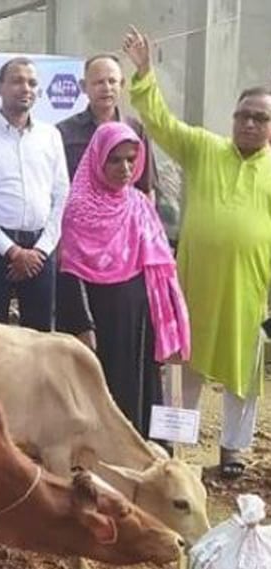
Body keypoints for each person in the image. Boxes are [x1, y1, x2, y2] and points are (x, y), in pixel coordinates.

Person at [124, 26, 271, 477]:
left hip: (250, 291)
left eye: (260, 118)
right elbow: (162, 123)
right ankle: (178, 449)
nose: (249, 123)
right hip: (195, 286)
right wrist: (146, 73)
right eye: (243, 115)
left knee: (244, 378)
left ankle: (233, 452)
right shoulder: (206, 150)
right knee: (186, 370)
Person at [58, 121, 191, 436]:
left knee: (138, 387)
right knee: (97, 390)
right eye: (115, 160)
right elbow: (69, 271)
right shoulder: (78, 210)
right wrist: (82, 325)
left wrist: (166, 321)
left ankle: (140, 450)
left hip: (138, 318)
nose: (125, 167)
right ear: (97, 160)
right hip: (96, 319)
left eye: (132, 159)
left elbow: (160, 266)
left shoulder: (139, 204)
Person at [0, 56, 69, 332]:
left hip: (41, 250)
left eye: (32, 83)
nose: (26, 88)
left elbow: (61, 196)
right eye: (17, 81)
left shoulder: (50, 136)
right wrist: (13, 252)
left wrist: (39, 251)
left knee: (41, 340)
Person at [57, 53, 157, 193]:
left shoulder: (136, 130)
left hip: (124, 213)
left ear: (122, 84)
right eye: (99, 82)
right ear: (83, 86)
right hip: (80, 212)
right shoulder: (63, 133)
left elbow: (147, 188)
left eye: (112, 81)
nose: (106, 88)